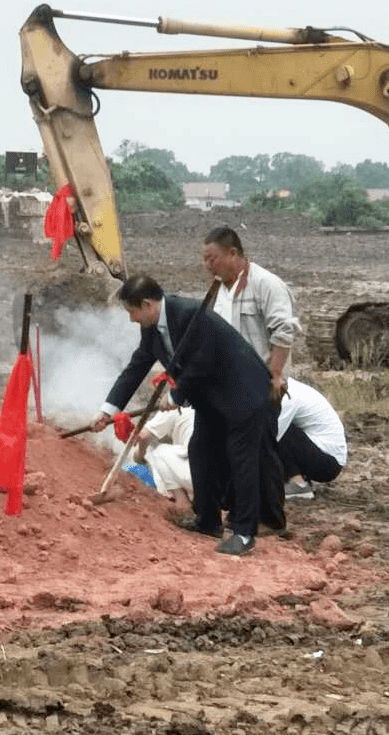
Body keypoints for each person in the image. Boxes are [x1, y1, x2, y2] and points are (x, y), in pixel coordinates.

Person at [89, 275, 284, 556]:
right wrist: (109, 410)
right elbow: (137, 366)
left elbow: (203, 362)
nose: (131, 319)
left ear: (146, 305)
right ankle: (207, 520)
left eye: (132, 312)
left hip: (244, 394)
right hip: (210, 398)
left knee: (242, 459)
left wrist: (175, 396)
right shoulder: (152, 328)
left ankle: (244, 533)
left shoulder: (191, 315)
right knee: (201, 449)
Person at [202, 226, 301, 401]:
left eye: (212, 259)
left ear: (232, 254)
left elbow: (284, 331)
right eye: (205, 260)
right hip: (228, 387)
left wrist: (276, 374)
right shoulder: (216, 291)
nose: (207, 266)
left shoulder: (267, 284)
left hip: (262, 387)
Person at [277, 376, 348, 500]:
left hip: (328, 464)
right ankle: (297, 480)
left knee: (277, 430)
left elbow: (271, 436)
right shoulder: (289, 386)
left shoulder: (289, 394)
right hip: (324, 455)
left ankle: (297, 484)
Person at [134, 408, 195, 508]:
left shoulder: (174, 408)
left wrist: (138, 458)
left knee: (154, 450)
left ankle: (183, 505)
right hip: (223, 484)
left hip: (196, 477)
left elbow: (144, 437)